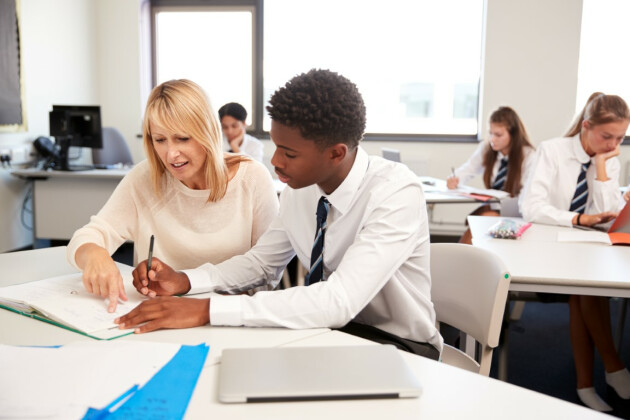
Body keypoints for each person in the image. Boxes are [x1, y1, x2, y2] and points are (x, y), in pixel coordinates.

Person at [115, 69, 444, 360]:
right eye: (275, 146)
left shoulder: (395, 193)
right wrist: (187, 280)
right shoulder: (299, 191)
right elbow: (260, 263)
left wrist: (206, 308)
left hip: (397, 346)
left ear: (336, 153)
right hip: (325, 333)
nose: (275, 162)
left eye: (289, 153)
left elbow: (338, 300)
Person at [67, 79, 279, 313]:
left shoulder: (253, 177)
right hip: (161, 317)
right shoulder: (144, 178)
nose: (171, 154)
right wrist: (95, 254)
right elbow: (88, 236)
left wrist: (195, 297)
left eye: (183, 138)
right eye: (160, 140)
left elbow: (268, 271)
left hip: (234, 316)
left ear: (207, 132)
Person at [520, 92, 630, 412]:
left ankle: (586, 385)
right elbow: (532, 207)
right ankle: (612, 366)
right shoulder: (551, 151)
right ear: (586, 125)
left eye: (620, 138)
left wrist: (602, 168)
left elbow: (608, 210)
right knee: (585, 291)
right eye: (606, 136)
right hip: (547, 244)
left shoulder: (610, 158)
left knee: (584, 289)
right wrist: (577, 219)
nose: (613, 144)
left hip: (587, 246)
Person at [446, 106, 535, 243]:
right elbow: (467, 169)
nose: (493, 139)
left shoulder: (529, 156)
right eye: (490, 133)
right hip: (493, 207)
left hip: (518, 213)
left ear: (513, 135)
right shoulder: (487, 149)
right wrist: (454, 179)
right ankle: (462, 259)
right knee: (479, 223)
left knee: (483, 220)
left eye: (498, 135)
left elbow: (529, 194)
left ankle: (463, 259)